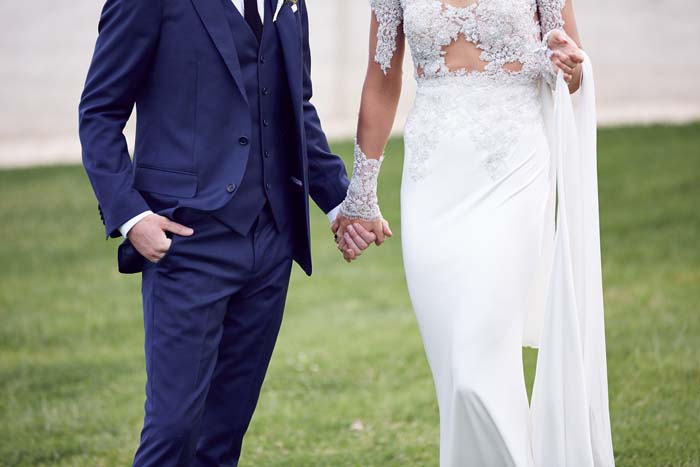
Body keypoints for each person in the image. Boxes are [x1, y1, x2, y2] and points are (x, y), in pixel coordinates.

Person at [78, 0, 382, 465]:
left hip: (271, 242)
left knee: (223, 434)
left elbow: (295, 108)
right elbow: (99, 112)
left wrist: (342, 204)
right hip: (186, 241)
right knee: (173, 431)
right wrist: (132, 217)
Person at [332, 0, 616, 465]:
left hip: (512, 170)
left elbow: (572, 66)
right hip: (431, 179)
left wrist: (567, 65)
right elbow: (381, 80)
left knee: (474, 365)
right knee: (454, 370)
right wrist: (361, 195)